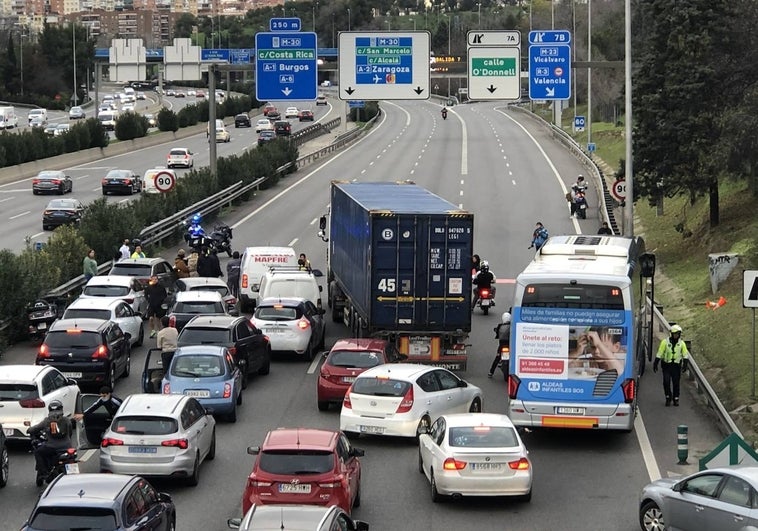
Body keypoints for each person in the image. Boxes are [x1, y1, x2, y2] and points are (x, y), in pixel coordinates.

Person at [28, 400, 76, 481]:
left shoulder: (47, 421)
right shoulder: (67, 420)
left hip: (52, 447)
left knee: (38, 452)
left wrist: (29, 430)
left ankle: (44, 473)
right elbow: (70, 433)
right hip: (67, 447)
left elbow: (35, 428)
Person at [654, 324, 690, 407]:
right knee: (666, 382)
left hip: (676, 367)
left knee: (676, 383)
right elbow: (660, 353)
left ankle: (676, 398)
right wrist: (656, 363)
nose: (676, 336)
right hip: (666, 365)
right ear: (671, 334)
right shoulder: (665, 342)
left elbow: (685, 355)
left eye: (678, 334)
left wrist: (685, 365)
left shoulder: (682, 344)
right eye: (675, 334)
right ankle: (668, 397)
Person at [489, 311, 511, 378]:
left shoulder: (500, 326)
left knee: (497, 358)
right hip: (509, 345)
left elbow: (497, 334)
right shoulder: (512, 326)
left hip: (502, 345)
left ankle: (491, 372)